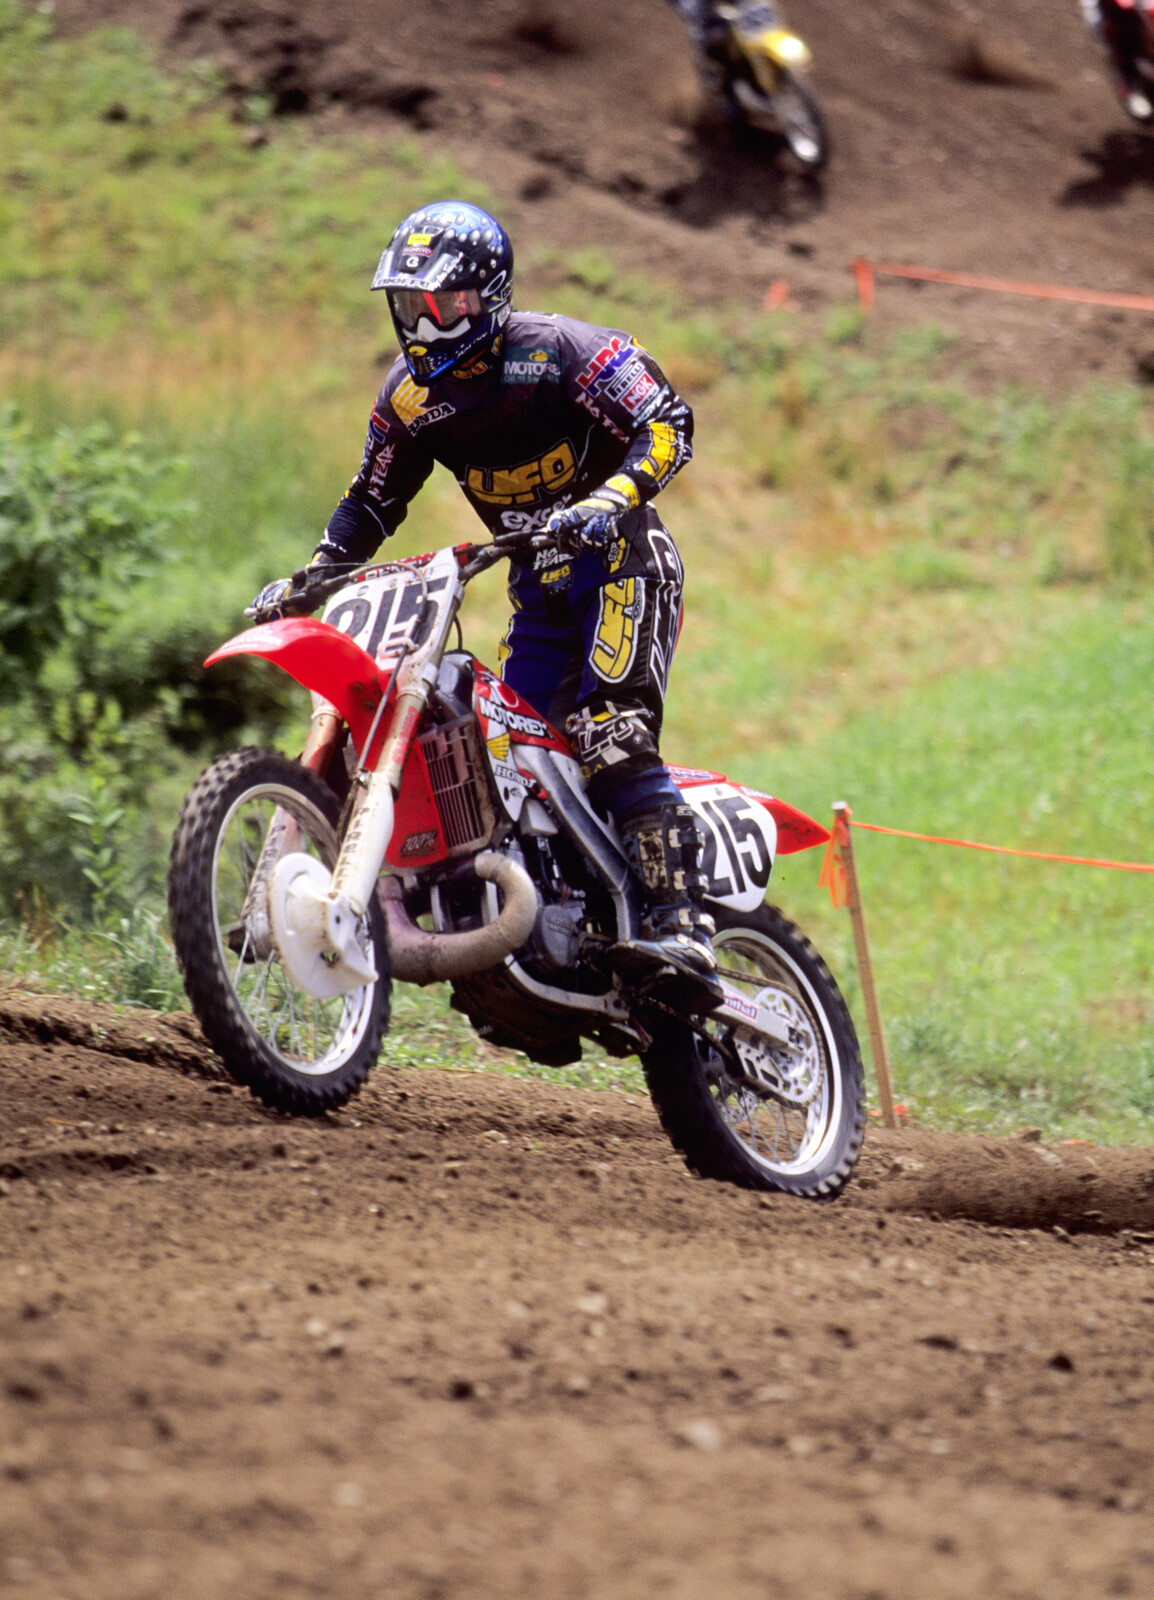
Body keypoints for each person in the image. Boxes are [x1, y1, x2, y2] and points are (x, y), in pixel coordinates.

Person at [251, 200, 719, 992]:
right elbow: (370, 502)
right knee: (514, 756)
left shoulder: (565, 353)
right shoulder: (410, 399)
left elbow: (668, 423)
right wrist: (319, 569)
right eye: (408, 307)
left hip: (624, 563)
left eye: (439, 305)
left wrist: (603, 504)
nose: (423, 325)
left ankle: (685, 929)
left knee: (608, 732)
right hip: (537, 589)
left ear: (484, 297)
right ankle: (558, 915)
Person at [1080, 0, 1154, 122]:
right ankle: (1129, 87)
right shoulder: (1098, 16)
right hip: (1112, 23)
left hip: (1131, 17)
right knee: (1122, 50)